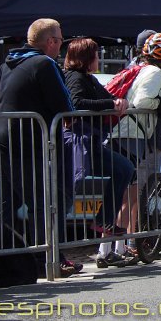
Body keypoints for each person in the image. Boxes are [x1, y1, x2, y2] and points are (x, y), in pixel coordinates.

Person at [0, 18, 81, 277]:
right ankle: (46, 259)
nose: (62, 45)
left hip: (0, 137)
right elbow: (65, 106)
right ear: (50, 42)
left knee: (4, 202)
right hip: (27, 139)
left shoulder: (8, 63)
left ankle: (0, 259)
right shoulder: (44, 63)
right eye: (61, 40)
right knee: (41, 200)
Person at [61, 38, 137, 267]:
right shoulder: (74, 77)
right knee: (70, 189)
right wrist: (110, 104)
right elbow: (76, 102)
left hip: (91, 141)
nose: (98, 58)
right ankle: (56, 247)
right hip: (78, 141)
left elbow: (106, 95)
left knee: (124, 168)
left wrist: (117, 101)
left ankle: (104, 221)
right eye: (95, 54)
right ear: (86, 57)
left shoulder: (88, 78)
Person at [112, 32, 161, 259]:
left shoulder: (144, 69)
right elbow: (142, 102)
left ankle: (116, 248)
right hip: (133, 135)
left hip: (127, 133)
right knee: (129, 194)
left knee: (125, 194)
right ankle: (119, 247)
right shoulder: (155, 72)